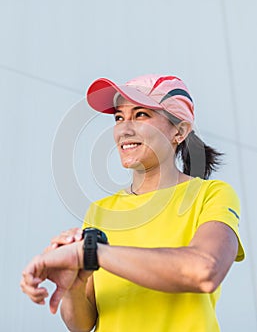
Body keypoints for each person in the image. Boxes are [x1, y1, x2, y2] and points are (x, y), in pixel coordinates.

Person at [21, 74, 245, 332]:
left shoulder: (211, 194)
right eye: (119, 117)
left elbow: (204, 270)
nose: (125, 129)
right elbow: (82, 324)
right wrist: (73, 284)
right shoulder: (101, 211)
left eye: (141, 115)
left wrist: (93, 253)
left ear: (180, 131)